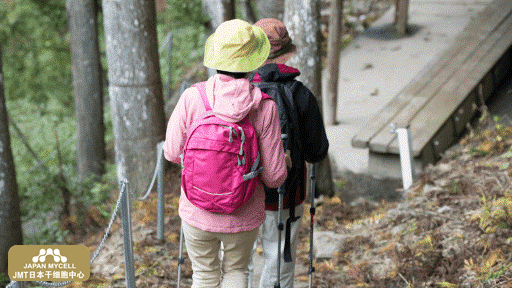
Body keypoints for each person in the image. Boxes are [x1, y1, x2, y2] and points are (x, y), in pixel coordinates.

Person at [163, 19, 288, 288]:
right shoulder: (264, 107)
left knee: (204, 276)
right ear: (253, 61)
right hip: (242, 213)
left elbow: (172, 153)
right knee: (236, 273)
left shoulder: (192, 97)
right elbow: (275, 177)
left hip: (196, 211)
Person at [247, 18, 329, 288]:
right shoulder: (301, 94)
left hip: (239, 191)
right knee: (279, 258)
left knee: (237, 263)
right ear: (288, 52)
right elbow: (317, 151)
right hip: (285, 192)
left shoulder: (241, 91)